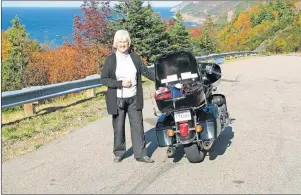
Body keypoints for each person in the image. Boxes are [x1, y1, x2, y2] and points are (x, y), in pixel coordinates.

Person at [100, 30, 155, 163]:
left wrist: (161, 79)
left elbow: (146, 71)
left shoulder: (134, 57)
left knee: (138, 126)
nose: (123, 44)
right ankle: (119, 152)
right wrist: (120, 83)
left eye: (125, 41)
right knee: (118, 127)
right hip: (118, 98)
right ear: (115, 43)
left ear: (128, 42)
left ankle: (141, 154)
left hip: (134, 97)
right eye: (120, 42)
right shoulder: (111, 59)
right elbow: (104, 79)